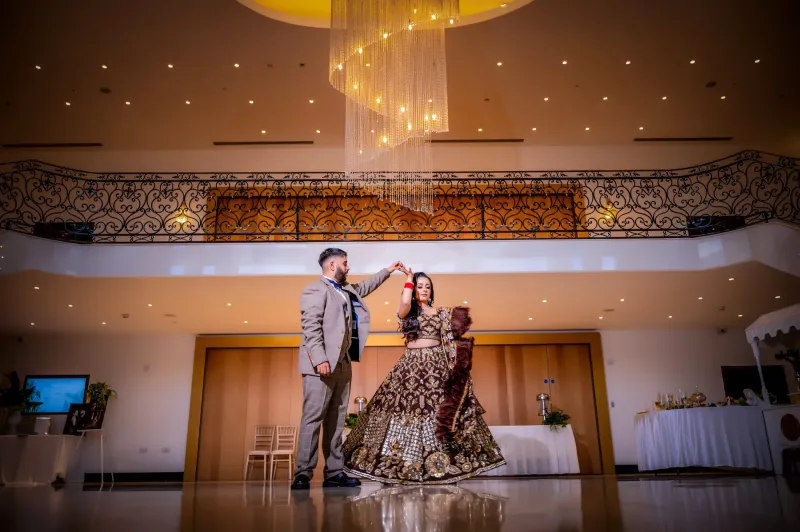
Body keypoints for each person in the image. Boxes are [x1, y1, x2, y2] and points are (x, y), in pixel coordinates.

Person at [343, 269, 506, 484]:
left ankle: (445, 467)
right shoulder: (408, 311)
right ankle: (399, 466)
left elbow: (452, 343)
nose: (424, 290)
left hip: (437, 369)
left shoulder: (442, 314)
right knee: (402, 413)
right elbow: (403, 305)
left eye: (427, 286)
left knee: (439, 414)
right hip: (410, 369)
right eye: (420, 286)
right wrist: (409, 281)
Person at [292, 248, 405, 490]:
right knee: (313, 419)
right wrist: (320, 359)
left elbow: (364, 287)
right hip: (319, 365)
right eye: (345, 263)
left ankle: (334, 472)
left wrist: (388, 270)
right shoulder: (315, 289)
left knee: (336, 420)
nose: (349, 267)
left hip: (342, 364)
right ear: (333, 265)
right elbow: (310, 328)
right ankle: (303, 472)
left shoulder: (346, 290)